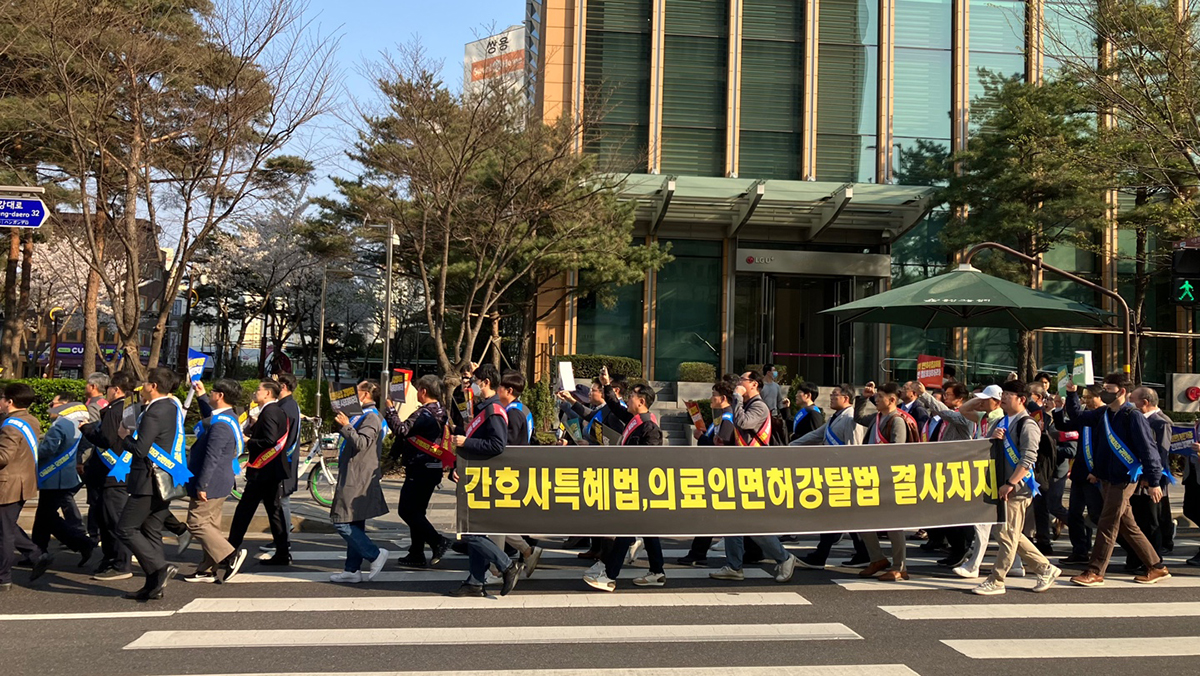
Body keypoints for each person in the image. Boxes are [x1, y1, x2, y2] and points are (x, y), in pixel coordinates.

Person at [1064, 372, 1170, 586]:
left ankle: (1095, 571)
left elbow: (1148, 450)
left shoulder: (1133, 416)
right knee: (1127, 524)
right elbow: (1076, 417)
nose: (1103, 392)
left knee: (1107, 523)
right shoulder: (1103, 412)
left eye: (1108, 389)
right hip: (1107, 478)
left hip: (1124, 479)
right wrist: (1071, 394)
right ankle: (1156, 566)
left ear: (1121, 392)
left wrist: (1154, 481)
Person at [969, 381, 1061, 595]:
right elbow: (987, 446)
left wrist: (1011, 483)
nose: (1003, 398)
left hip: (1017, 488)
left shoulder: (1026, 424)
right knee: (1007, 533)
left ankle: (997, 579)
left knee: (1007, 533)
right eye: (1003, 394)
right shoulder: (1002, 420)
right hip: (1000, 485)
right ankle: (1045, 568)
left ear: (1021, 399)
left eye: (1009, 394)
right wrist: (993, 439)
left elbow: (1029, 457)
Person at [708, 370, 798, 584]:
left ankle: (784, 557)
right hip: (741, 469)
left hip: (753, 471)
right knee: (732, 521)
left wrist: (736, 398)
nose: (739, 383)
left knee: (751, 523)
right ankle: (733, 565)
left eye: (743, 380)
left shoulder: (759, 406)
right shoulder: (748, 405)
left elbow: (743, 422)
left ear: (754, 384)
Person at [584, 370, 668, 591]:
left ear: (641, 402)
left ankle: (610, 576)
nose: (628, 398)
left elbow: (648, 462)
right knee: (648, 533)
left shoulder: (650, 427)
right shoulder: (636, 420)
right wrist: (607, 384)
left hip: (639, 488)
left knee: (625, 532)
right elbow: (613, 405)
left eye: (631, 396)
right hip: (631, 485)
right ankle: (657, 572)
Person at [448, 363, 522, 597]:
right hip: (474, 475)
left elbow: (497, 445)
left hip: (486, 478)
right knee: (472, 530)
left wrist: (465, 443)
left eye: (476, 382)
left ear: (486, 383)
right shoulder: (484, 408)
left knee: (472, 532)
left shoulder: (494, 411)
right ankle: (475, 581)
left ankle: (506, 565)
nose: (474, 387)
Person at [115, 367, 185, 601]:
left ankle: (160, 568)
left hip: (147, 480)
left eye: (145, 383)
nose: (141, 386)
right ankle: (154, 585)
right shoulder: (170, 407)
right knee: (152, 530)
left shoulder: (155, 411)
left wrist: (124, 435)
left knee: (125, 529)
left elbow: (140, 449)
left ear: (153, 386)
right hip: (162, 479)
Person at [791, 383, 870, 570]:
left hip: (844, 475)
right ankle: (861, 553)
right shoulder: (836, 417)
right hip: (834, 474)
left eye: (835, 394)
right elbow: (815, 436)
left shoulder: (851, 418)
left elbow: (854, 448)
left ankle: (824, 555)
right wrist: (791, 446)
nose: (831, 397)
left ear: (846, 398)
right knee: (839, 517)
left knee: (836, 516)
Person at [952, 385, 1026, 580]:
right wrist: (977, 401)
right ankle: (1016, 563)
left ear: (997, 400)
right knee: (1002, 526)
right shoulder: (985, 417)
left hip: (997, 477)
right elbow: (963, 410)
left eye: (986, 399)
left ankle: (974, 565)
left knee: (985, 523)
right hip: (987, 473)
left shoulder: (1000, 418)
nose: (981, 402)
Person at [182, 379, 248, 583]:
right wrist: (201, 395)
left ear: (220, 396)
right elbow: (210, 416)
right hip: (222, 479)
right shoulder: (228, 417)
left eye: (211, 392)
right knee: (210, 524)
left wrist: (203, 485)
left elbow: (212, 457)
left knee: (196, 522)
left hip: (212, 481)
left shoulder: (221, 425)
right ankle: (206, 569)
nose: (210, 393)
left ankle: (229, 555)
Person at [853, 381, 919, 581]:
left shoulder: (897, 420)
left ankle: (900, 566)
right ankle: (877, 558)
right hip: (873, 476)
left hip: (889, 479)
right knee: (862, 520)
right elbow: (860, 418)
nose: (876, 399)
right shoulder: (878, 417)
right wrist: (863, 398)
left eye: (880, 396)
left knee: (893, 523)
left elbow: (896, 453)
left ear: (891, 400)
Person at [328, 381, 391, 584]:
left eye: (356, 391)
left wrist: (346, 425)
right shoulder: (359, 414)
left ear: (365, 395)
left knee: (341, 521)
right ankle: (352, 569)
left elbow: (362, 443)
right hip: (352, 473)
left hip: (359, 477)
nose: (353, 394)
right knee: (355, 522)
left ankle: (374, 554)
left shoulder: (371, 417)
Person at [387, 375, 453, 568]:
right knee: (417, 512)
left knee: (406, 510)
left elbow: (402, 430)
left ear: (423, 391)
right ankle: (416, 553)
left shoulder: (424, 414)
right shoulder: (441, 411)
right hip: (432, 467)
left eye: (417, 389)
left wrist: (390, 409)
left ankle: (437, 541)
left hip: (420, 467)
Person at [226, 380, 292, 566]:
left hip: (265, 471)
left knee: (244, 511)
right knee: (274, 511)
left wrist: (249, 440)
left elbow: (270, 440)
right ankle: (282, 552)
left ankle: (230, 551)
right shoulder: (276, 410)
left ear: (269, 393)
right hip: (271, 470)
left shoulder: (270, 411)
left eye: (259, 390)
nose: (256, 392)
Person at [911, 381, 978, 566]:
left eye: (949, 394)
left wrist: (925, 395)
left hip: (957, 471)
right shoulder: (947, 419)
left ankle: (962, 550)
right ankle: (954, 549)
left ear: (960, 399)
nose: (946, 397)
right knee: (946, 515)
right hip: (943, 469)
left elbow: (944, 412)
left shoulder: (966, 417)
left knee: (957, 517)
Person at [80, 373, 135, 580]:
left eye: (109, 387)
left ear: (117, 390)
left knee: (113, 520)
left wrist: (86, 429)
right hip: (120, 470)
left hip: (112, 472)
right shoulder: (130, 407)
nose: (107, 391)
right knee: (107, 518)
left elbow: (106, 440)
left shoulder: (114, 410)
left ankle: (120, 563)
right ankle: (110, 559)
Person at [31, 393, 95, 568]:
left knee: (47, 516)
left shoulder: (60, 425)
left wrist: (32, 451)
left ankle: (80, 542)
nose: (51, 406)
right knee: (45, 515)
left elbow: (48, 450)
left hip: (53, 476)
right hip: (64, 475)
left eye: (55, 403)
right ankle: (38, 550)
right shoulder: (75, 424)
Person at [678, 380, 738, 567]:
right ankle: (698, 552)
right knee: (710, 516)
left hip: (720, 473)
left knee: (711, 516)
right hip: (715, 471)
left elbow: (722, 445)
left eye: (714, 395)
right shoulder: (721, 417)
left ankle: (699, 553)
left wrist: (701, 438)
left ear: (723, 399)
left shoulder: (728, 418)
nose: (711, 398)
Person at [491, 370, 544, 578]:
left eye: (500, 387)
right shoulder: (524, 409)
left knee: (496, 521)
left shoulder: (512, 413)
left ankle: (499, 566)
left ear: (509, 390)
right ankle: (525, 551)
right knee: (499, 521)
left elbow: (507, 445)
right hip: (519, 469)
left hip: (509, 472)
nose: (498, 390)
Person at [0, 383, 53, 591]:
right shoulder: (30, 420)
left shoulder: (11, 425)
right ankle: (37, 555)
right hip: (23, 481)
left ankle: (3, 577)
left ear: (9, 401)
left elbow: (4, 456)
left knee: (4, 533)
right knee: (7, 525)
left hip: (8, 484)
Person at [1053, 383, 1105, 566]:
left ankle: (1124, 547)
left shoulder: (1105, 417)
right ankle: (1080, 550)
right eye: (1084, 397)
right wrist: (1059, 407)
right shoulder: (1085, 417)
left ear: (1101, 397)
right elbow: (1063, 425)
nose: (1086, 401)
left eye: (1090, 397)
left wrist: (1097, 471)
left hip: (1095, 475)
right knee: (1074, 514)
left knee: (1097, 514)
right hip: (1080, 473)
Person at [1127, 386, 1174, 570]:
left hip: (1152, 480)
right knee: (1137, 519)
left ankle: (1154, 561)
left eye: (1133, 400)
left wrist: (1151, 478)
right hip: (1135, 478)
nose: (1131, 404)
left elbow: (1161, 454)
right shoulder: (1137, 419)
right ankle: (1135, 558)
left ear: (1145, 403)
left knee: (1151, 521)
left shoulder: (1161, 423)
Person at [79, 372, 109, 542]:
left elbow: (90, 434)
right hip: (100, 457)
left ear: (93, 387)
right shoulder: (105, 403)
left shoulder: (93, 407)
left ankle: (91, 535)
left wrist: (82, 459)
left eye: (87, 384)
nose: (85, 387)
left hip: (92, 457)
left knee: (93, 499)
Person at [274, 373, 302, 549]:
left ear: (283, 386)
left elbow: (282, 437)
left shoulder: (287, 408)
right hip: (285, 460)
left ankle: (284, 539)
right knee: (280, 500)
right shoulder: (289, 405)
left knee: (282, 500)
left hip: (283, 461)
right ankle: (283, 535)